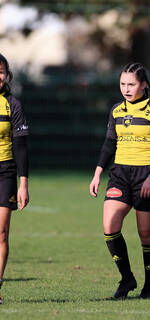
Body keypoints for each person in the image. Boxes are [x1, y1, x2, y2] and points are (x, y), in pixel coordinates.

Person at [89, 62, 150, 299]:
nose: (126, 88)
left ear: (143, 84)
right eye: (122, 84)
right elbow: (109, 142)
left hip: (146, 175)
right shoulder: (116, 110)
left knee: (147, 235)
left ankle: (149, 287)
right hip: (120, 175)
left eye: (131, 84)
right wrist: (98, 172)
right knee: (110, 227)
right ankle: (127, 279)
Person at [0, 53, 29, 304]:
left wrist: (23, 184)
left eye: (0, 71)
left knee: (1, 233)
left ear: (7, 75)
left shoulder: (13, 105)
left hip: (5, 172)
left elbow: (21, 147)